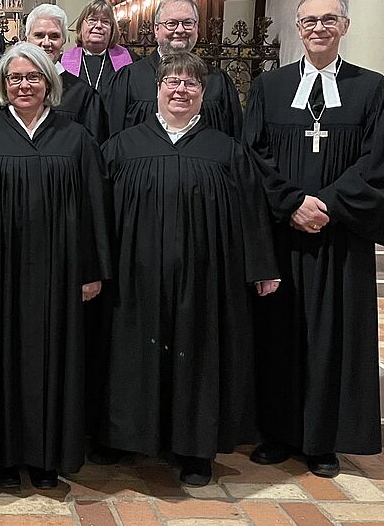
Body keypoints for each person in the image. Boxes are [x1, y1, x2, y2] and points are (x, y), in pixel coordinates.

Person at [243, 0, 384, 478]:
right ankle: (275, 433)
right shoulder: (269, 87)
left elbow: (380, 163)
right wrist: (292, 203)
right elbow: (254, 156)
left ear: (345, 26)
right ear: (297, 28)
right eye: (310, 20)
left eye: (329, 19)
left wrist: (328, 207)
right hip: (282, 234)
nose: (319, 28)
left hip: (340, 240)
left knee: (333, 337)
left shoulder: (372, 90)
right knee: (278, 333)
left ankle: (322, 440)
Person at [98, 52, 279, 487]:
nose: (180, 91)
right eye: (172, 83)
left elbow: (252, 215)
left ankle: (194, 449)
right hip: (133, 281)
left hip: (203, 282)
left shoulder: (226, 152)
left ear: (205, 94)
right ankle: (125, 436)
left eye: (191, 85)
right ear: (156, 90)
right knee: (129, 353)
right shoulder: (122, 147)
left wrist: (261, 268)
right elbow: (96, 217)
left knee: (197, 357)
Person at [0, 42, 111, 490]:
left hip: (58, 274)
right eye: (15, 78)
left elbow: (95, 208)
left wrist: (92, 270)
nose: (24, 85)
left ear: (50, 84)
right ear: (2, 86)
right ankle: (1, 458)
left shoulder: (74, 137)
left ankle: (45, 456)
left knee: (52, 361)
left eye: (33, 77)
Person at [105, 0, 242, 137]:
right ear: (156, 29)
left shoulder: (217, 80)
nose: (180, 30)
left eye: (188, 23)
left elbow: (234, 136)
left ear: (197, 28)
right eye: (171, 23)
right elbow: (114, 137)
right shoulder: (129, 78)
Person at [24, 3, 109, 142]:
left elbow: (91, 148)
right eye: (39, 35)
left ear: (64, 40)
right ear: (26, 38)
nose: (46, 43)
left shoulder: (82, 94)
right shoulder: (8, 86)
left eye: (54, 36)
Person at [59, 0, 134, 98]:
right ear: (81, 26)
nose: (98, 25)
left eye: (105, 22)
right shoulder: (61, 63)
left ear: (112, 29)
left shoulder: (131, 62)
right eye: (92, 20)